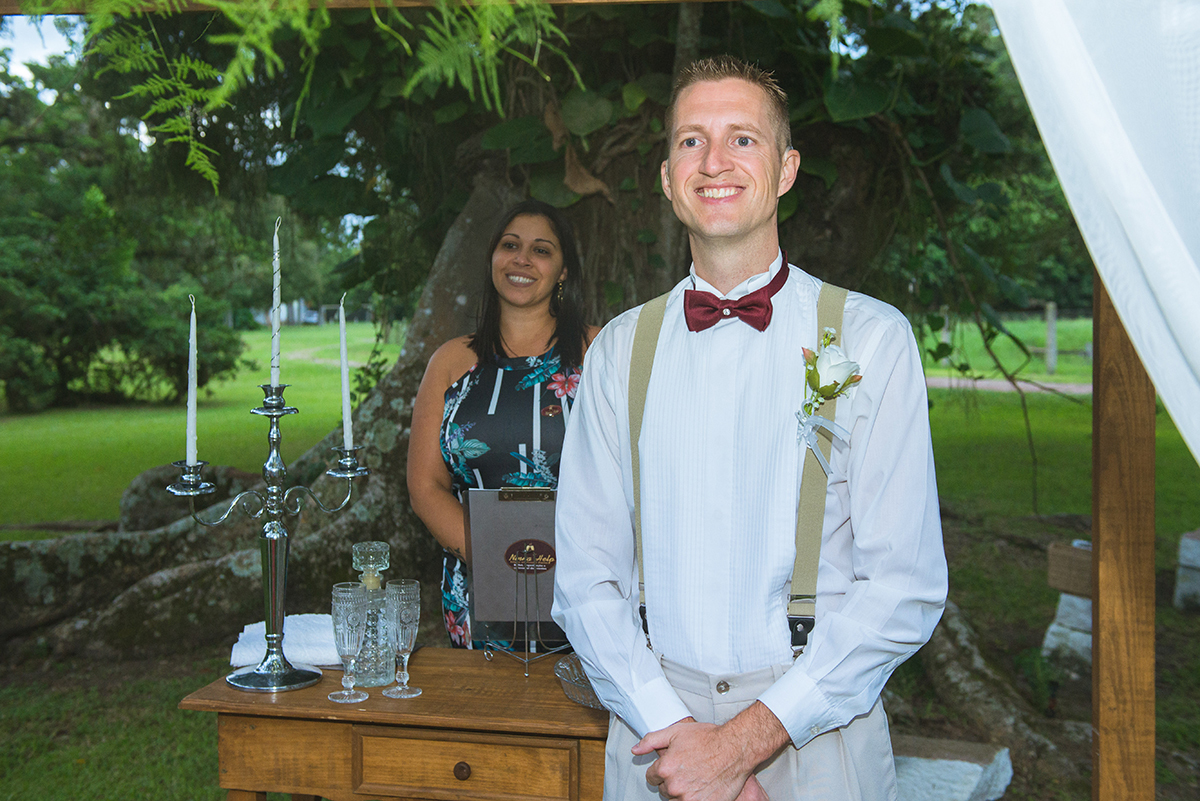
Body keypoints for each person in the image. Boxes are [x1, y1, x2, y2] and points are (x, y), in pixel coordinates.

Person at [551, 56, 948, 800]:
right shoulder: (617, 351)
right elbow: (583, 579)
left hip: (817, 729)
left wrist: (742, 744)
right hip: (654, 732)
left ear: (787, 168)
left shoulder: (871, 340)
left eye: (743, 139)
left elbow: (904, 585)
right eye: (691, 141)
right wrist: (688, 747)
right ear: (668, 177)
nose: (715, 161)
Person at [408, 199, 598, 648]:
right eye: (510, 245)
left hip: (583, 591)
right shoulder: (451, 362)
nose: (522, 259)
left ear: (564, 271)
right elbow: (424, 485)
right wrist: (494, 560)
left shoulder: (598, 352)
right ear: (492, 257)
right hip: (476, 591)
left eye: (542, 250)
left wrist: (558, 568)